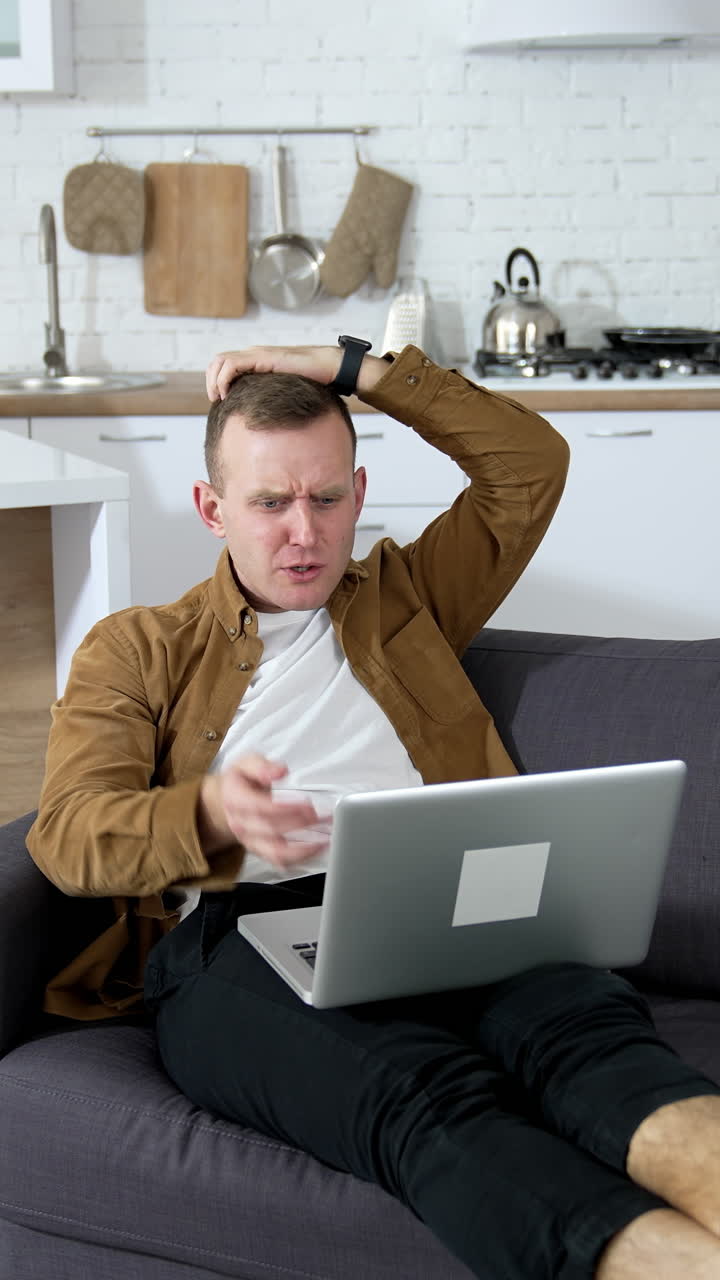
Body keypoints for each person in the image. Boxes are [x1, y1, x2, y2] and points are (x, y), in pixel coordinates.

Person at [27, 340, 720, 1280]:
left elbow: (530, 464)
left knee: (600, 1052)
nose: (302, 533)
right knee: (426, 1102)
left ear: (358, 493)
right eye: (270, 503)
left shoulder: (411, 598)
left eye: (325, 498)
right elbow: (67, 835)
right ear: (212, 508)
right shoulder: (138, 649)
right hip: (247, 936)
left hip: (454, 895)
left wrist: (352, 367)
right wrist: (209, 818)